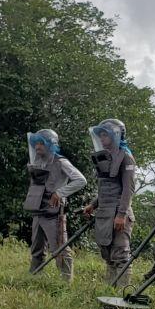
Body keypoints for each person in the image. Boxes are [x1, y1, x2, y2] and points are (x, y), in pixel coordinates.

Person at [25, 128, 87, 280]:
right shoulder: (38, 161)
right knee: (37, 248)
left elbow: (81, 180)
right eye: (36, 143)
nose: (37, 147)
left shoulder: (61, 161)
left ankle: (65, 283)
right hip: (38, 210)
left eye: (41, 143)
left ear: (50, 144)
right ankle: (34, 278)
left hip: (53, 213)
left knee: (60, 248)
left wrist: (60, 192)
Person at [82, 118, 136, 285]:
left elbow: (128, 189)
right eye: (101, 135)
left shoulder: (125, 157)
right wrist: (93, 205)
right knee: (108, 256)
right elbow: (107, 188)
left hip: (119, 213)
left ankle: (123, 292)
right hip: (104, 212)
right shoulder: (104, 158)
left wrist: (121, 214)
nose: (102, 138)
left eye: (105, 135)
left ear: (116, 135)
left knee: (121, 255)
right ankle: (110, 292)